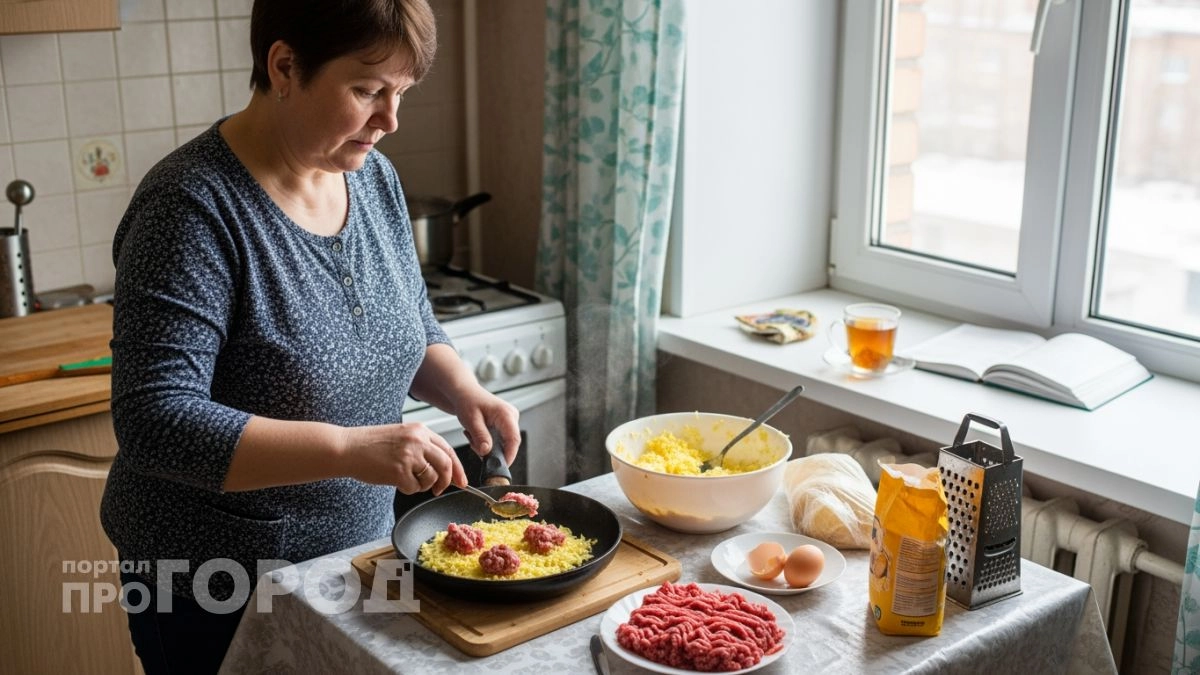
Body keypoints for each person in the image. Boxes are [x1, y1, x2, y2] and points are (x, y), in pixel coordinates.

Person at [99, 1, 521, 672]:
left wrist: (462, 387)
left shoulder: (371, 175)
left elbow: (409, 315)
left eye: (401, 94)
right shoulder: (190, 208)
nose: (390, 120)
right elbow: (156, 420)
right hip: (216, 582)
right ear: (285, 65)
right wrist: (350, 448)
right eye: (367, 90)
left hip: (356, 556)